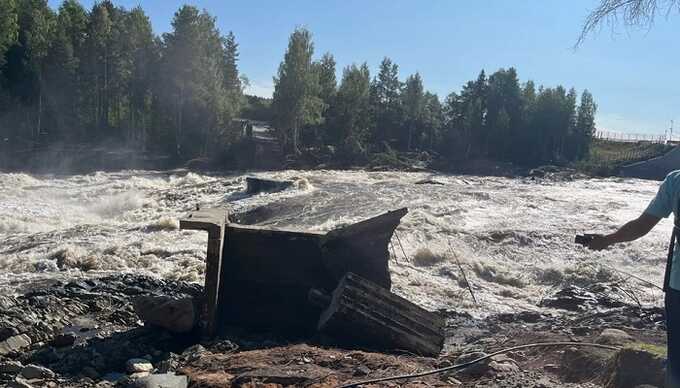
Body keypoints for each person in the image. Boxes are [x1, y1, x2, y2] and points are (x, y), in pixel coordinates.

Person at [587, 170, 680, 387]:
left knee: (677, 358)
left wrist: (607, 240)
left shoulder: (675, 181)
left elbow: (641, 227)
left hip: (678, 286)